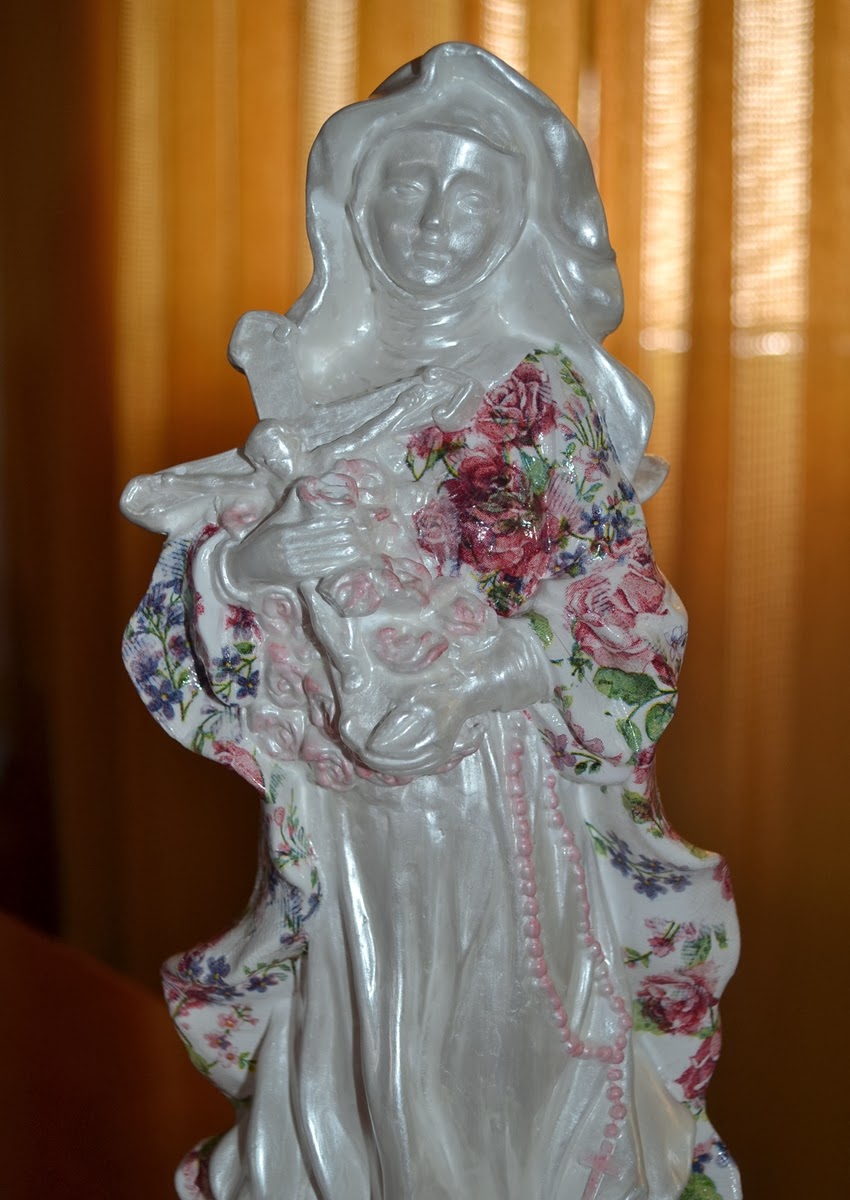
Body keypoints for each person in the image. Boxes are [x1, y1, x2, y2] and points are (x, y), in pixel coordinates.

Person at [123, 43, 740, 1200]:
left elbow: (623, 619)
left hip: (499, 801)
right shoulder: (306, 386)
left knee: (491, 1060)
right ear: (354, 205)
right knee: (365, 1054)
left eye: (471, 195)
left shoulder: (538, 397)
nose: (432, 222)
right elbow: (193, 603)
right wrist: (251, 565)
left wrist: (472, 682)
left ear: (514, 224)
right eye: (407, 184)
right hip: (348, 819)